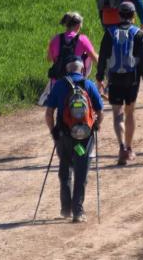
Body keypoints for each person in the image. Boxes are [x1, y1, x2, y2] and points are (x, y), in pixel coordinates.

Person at [44, 55, 104, 223]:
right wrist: (96, 126)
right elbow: (101, 112)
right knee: (81, 171)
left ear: (67, 70)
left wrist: (53, 133)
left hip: (64, 136)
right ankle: (78, 211)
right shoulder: (89, 85)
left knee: (65, 170)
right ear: (81, 69)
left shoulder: (59, 86)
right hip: (84, 138)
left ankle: (65, 208)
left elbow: (49, 114)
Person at [96, 1, 143, 165]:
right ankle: (129, 148)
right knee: (130, 112)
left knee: (117, 113)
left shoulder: (109, 32)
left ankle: (121, 147)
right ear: (134, 16)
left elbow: (103, 58)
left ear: (119, 15)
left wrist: (99, 78)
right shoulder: (138, 34)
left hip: (114, 78)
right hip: (132, 79)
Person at [38, 12, 99, 106]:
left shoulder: (55, 39)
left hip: (57, 81)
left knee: (52, 111)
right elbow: (95, 59)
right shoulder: (82, 39)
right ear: (78, 25)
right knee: (88, 56)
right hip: (77, 82)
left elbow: (49, 59)